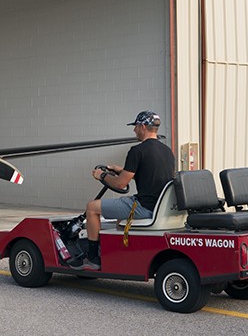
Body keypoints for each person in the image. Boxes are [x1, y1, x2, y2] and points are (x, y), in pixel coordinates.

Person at [69, 110, 176, 270]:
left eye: (136, 126)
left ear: (143, 126)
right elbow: (150, 174)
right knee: (119, 219)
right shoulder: (167, 151)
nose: (134, 130)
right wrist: (122, 170)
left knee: (92, 207)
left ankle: (92, 259)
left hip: (144, 207)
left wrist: (102, 175)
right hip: (159, 207)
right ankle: (115, 255)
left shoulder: (137, 151)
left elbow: (119, 184)